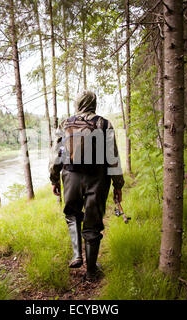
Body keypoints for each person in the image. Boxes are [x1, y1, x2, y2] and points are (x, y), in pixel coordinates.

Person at [48, 90, 124, 280]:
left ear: (78, 103)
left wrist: (54, 178)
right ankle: (91, 271)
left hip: (70, 175)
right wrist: (118, 185)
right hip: (97, 179)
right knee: (93, 223)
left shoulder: (66, 123)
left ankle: (76, 254)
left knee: (72, 213)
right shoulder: (104, 124)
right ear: (94, 103)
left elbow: (56, 153)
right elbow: (113, 157)